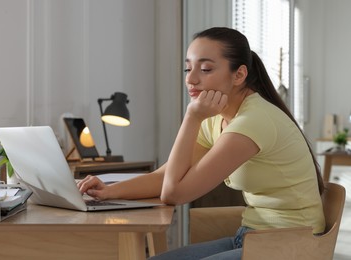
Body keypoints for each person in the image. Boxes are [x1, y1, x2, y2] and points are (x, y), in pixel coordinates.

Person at [77, 27, 325, 260]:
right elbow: (165, 177)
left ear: (239, 74)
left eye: (205, 69)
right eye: (188, 69)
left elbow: (174, 193)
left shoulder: (253, 121)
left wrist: (191, 117)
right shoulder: (218, 118)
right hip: (250, 236)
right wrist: (107, 192)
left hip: (291, 246)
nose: (191, 79)